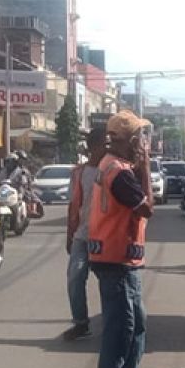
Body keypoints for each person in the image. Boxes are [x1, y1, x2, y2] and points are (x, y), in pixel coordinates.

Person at [88, 111, 164, 368]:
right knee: (121, 324)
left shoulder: (116, 166)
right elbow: (147, 209)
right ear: (127, 140)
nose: (143, 144)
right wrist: (144, 168)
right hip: (112, 257)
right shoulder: (119, 173)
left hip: (123, 257)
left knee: (137, 321)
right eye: (139, 138)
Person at [61, 127, 106, 341]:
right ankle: (81, 323)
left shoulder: (113, 170)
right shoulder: (79, 172)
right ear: (91, 148)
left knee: (109, 282)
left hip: (107, 238)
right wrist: (70, 236)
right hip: (82, 236)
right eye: (102, 146)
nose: (106, 150)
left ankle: (115, 322)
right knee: (75, 277)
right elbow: (73, 207)